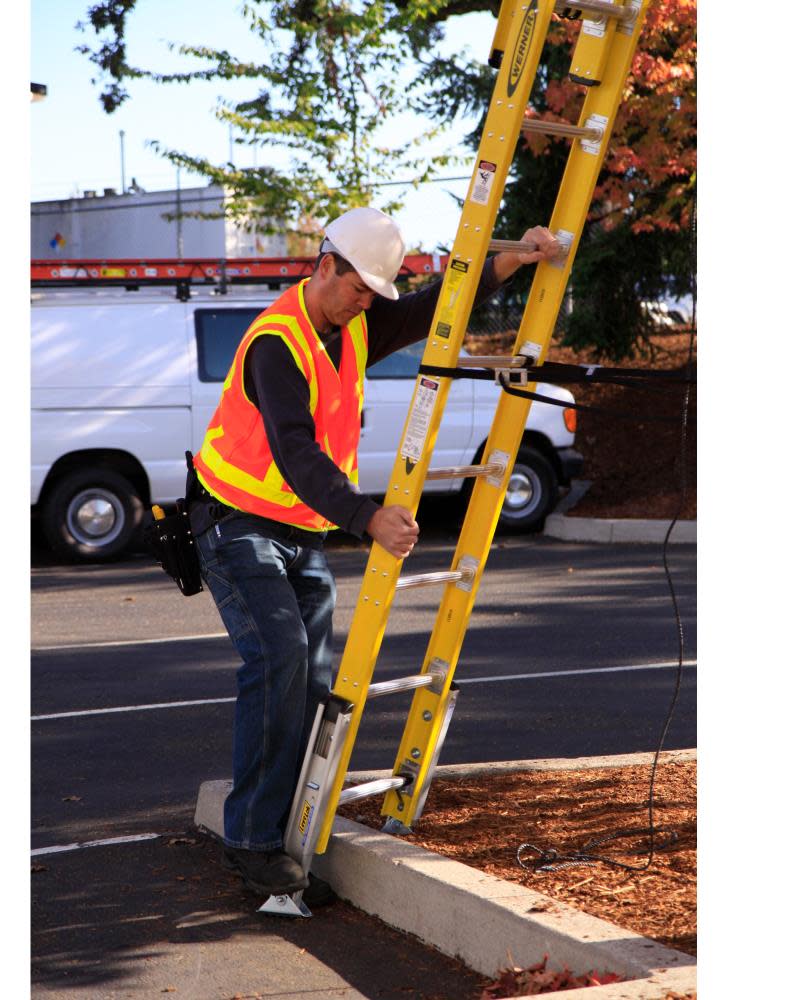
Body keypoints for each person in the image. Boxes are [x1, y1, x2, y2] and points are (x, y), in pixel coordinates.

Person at [190, 206, 561, 900]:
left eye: (373, 294)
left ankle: (284, 841)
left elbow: (430, 311)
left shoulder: (353, 322)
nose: (366, 304)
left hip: (296, 531)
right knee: (280, 660)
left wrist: (510, 262)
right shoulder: (277, 343)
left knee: (311, 680)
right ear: (325, 265)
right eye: (359, 288)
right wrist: (366, 518)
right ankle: (250, 841)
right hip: (234, 524)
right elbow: (295, 450)